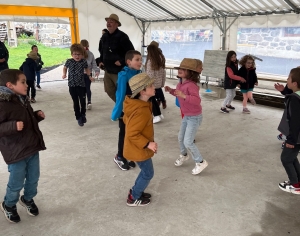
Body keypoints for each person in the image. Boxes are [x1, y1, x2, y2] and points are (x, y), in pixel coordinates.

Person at [0, 69, 46, 223]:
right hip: (16, 151)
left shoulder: (22, 98)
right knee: (16, 182)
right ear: (10, 85)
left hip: (31, 146)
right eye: (23, 82)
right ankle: (9, 204)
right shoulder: (2, 104)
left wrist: (36, 116)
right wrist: (12, 126)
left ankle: (27, 199)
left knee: (33, 178)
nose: (27, 85)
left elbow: (26, 120)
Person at [165, 58, 208, 175]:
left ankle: (200, 161)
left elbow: (196, 100)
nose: (180, 70)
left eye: (184, 69)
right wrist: (171, 91)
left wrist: (184, 95)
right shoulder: (180, 83)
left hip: (194, 117)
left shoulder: (192, 86)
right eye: (180, 68)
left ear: (191, 73)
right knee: (180, 138)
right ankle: (184, 155)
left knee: (188, 141)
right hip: (186, 116)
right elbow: (178, 93)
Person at [123, 73, 157, 206]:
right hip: (139, 148)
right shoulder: (141, 110)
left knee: (145, 171)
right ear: (143, 91)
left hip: (137, 147)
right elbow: (132, 133)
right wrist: (148, 144)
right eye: (151, 85)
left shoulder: (137, 104)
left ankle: (136, 191)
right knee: (148, 173)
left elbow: (128, 121)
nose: (154, 87)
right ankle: (134, 197)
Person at [111, 50, 142, 170]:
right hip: (126, 111)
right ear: (129, 62)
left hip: (136, 110)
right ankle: (119, 156)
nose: (140, 62)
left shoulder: (139, 73)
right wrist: (117, 113)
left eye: (140, 59)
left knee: (133, 134)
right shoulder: (124, 75)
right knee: (124, 134)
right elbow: (120, 95)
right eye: (137, 59)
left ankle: (129, 154)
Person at [99, 14, 134, 102]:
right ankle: (122, 107)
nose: (108, 23)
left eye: (111, 22)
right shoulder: (104, 37)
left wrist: (122, 61)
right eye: (107, 21)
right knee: (109, 90)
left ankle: (126, 109)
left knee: (123, 91)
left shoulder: (122, 37)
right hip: (107, 70)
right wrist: (100, 61)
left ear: (117, 24)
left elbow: (131, 52)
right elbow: (102, 51)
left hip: (119, 71)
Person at [277, 67, 300, 194]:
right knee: (292, 157)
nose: (287, 80)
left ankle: (295, 184)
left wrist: (290, 139)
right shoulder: (296, 96)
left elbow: (295, 121)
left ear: (295, 83)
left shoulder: (294, 100)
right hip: (297, 136)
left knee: (286, 158)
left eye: (289, 78)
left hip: (295, 136)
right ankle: (298, 181)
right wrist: (284, 91)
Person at [62, 43, 91, 126]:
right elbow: (65, 68)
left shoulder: (83, 62)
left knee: (82, 102)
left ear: (82, 55)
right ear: (72, 54)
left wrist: (89, 76)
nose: (77, 56)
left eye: (79, 54)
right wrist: (64, 74)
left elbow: (87, 69)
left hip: (81, 85)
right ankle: (78, 117)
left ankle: (83, 115)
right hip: (72, 85)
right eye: (75, 54)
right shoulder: (69, 61)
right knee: (75, 102)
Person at [145, 44, 166, 124]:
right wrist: (162, 83)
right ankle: (159, 114)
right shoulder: (160, 59)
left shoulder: (150, 61)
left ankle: (157, 115)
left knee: (151, 100)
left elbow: (150, 74)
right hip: (158, 83)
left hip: (151, 84)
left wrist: (147, 84)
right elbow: (164, 73)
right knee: (154, 100)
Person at [80, 39, 99, 110]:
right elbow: (94, 64)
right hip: (89, 74)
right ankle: (89, 102)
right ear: (88, 45)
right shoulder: (90, 54)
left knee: (82, 89)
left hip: (81, 74)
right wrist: (96, 70)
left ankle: (83, 103)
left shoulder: (79, 54)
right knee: (87, 88)